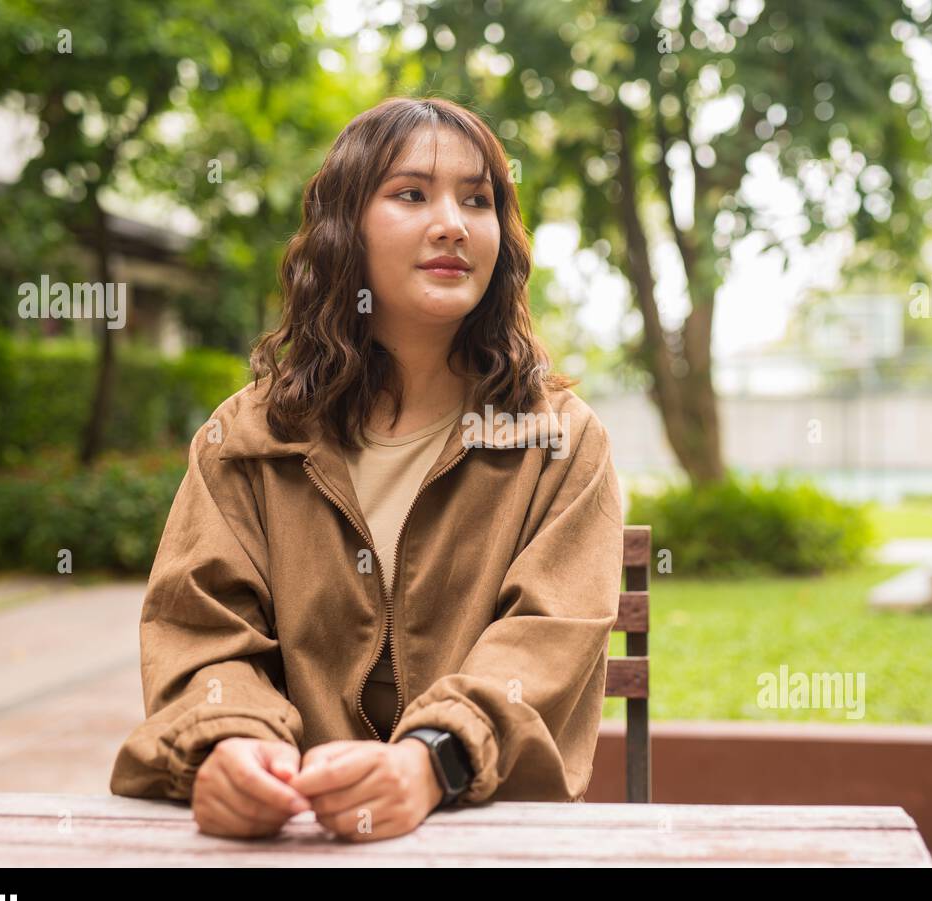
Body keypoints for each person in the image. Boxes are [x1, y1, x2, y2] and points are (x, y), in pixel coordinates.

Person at [109, 96, 624, 843]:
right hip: (290, 837)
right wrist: (230, 746)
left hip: (484, 831)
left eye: (477, 199)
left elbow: (547, 638)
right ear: (345, 229)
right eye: (411, 193)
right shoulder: (247, 439)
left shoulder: (560, 442)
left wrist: (429, 763)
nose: (451, 221)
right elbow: (200, 633)